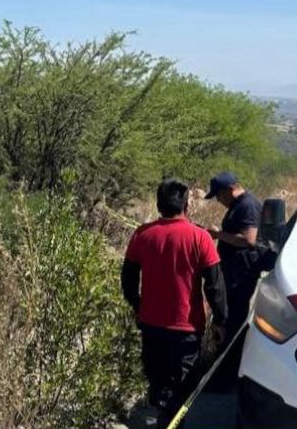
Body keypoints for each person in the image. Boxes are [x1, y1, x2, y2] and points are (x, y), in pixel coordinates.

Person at [122, 178, 227, 429]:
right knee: (182, 387)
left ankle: (164, 420)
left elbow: (127, 279)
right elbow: (214, 285)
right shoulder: (200, 238)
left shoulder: (142, 235)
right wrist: (220, 322)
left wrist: (138, 306)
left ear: (159, 204)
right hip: (187, 329)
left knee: (159, 383)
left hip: (151, 324)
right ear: (186, 205)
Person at [204, 171, 262, 386]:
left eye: (218, 196)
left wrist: (218, 235)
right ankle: (225, 372)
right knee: (229, 320)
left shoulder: (247, 205)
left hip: (241, 276)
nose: (218, 201)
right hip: (233, 273)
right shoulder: (238, 205)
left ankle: (228, 378)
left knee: (233, 320)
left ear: (229, 189)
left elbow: (249, 240)